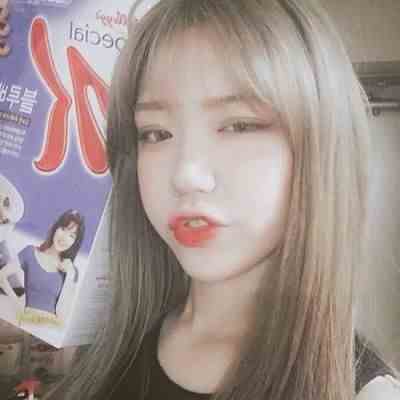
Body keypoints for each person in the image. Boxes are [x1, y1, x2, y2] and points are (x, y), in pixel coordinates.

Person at [44, 0, 400, 399]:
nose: (186, 175)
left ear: (320, 145)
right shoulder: (108, 347)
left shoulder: (364, 391)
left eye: (238, 126)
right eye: (156, 133)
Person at [0, 209, 85, 326]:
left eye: (71, 236)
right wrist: (17, 303)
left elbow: (64, 316)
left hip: (52, 328)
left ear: (74, 243)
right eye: (63, 229)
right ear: (56, 228)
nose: (64, 238)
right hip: (28, 322)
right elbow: (2, 276)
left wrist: (70, 275)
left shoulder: (72, 271)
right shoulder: (30, 252)